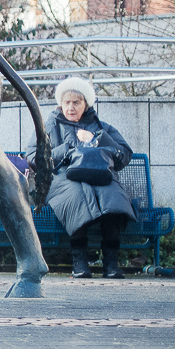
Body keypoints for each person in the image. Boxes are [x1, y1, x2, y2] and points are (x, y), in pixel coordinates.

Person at [31, 76, 136, 279]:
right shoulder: (48, 126)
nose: (71, 107)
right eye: (67, 102)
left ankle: (111, 263)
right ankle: (79, 261)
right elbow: (33, 157)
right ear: (60, 104)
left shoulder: (101, 126)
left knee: (113, 198)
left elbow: (124, 155)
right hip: (62, 178)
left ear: (86, 104)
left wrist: (98, 139)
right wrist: (66, 149)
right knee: (76, 197)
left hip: (101, 176)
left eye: (76, 102)